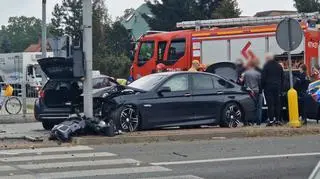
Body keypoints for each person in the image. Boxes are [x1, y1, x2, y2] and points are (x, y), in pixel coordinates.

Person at [261, 52, 284, 126]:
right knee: (277, 104)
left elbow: (263, 78)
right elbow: (282, 78)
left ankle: (271, 121)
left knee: (270, 105)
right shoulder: (279, 66)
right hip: (277, 87)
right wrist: (281, 88)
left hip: (268, 87)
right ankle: (277, 120)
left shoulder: (266, 66)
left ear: (269, 58)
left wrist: (261, 88)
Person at [243, 60, 262, 126]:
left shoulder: (246, 73)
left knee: (250, 107)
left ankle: (251, 122)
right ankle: (258, 122)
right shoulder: (258, 74)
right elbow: (260, 83)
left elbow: (243, 83)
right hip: (257, 91)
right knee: (258, 107)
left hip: (249, 92)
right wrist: (260, 91)